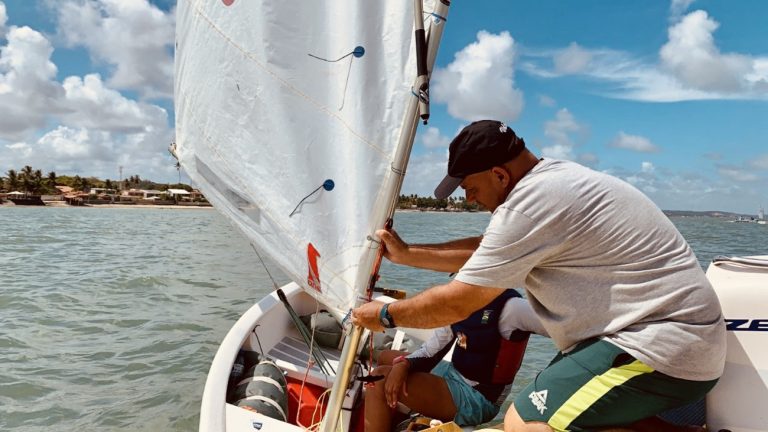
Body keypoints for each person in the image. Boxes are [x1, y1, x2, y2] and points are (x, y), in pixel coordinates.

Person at [351, 120, 725, 432]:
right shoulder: (552, 183)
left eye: (470, 189)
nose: (468, 200)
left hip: (656, 345)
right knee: (554, 410)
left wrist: (384, 316)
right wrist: (408, 255)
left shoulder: (531, 203)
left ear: (499, 174)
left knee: (525, 422)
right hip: (665, 342)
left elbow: (459, 300)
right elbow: (488, 248)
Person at [365, 289, 547, 431]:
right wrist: (405, 364)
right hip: (452, 374)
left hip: (477, 397)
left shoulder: (513, 308)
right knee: (386, 358)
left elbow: (568, 327)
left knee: (379, 379)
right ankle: (399, 420)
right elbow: (431, 351)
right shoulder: (457, 304)